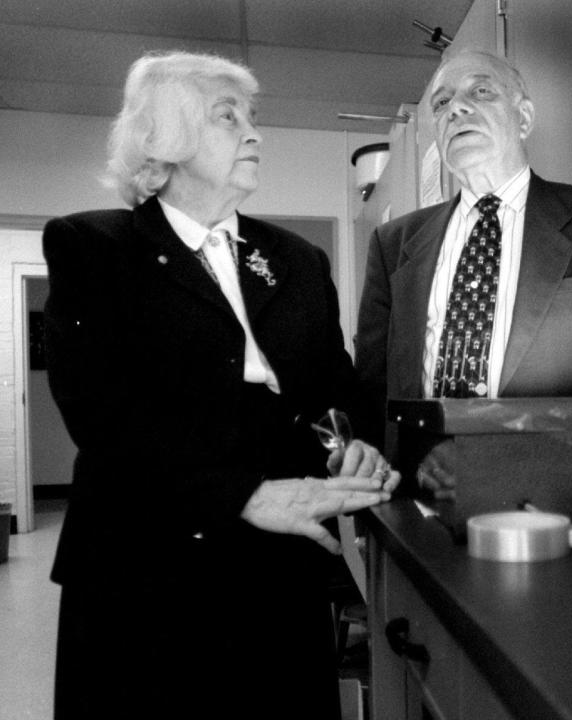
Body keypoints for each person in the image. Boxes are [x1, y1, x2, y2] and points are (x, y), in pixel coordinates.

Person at [42, 51, 399, 720]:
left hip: (278, 569)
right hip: (145, 572)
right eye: (227, 117)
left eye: (254, 118)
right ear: (164, 138)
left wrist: (350, 445)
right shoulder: (93, 247)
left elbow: (334, 391)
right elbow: (102, 415)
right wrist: (243, 494)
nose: (255, 134)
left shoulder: (295, 260)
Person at [354, 49, 572, 489]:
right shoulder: (393, 243)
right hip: (415, 494)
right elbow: (371, 389)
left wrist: (508, 457)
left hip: (551, 491)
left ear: (524, 118)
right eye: (441, 103)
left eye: (480, 92)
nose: (456, 107)